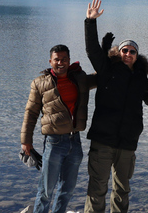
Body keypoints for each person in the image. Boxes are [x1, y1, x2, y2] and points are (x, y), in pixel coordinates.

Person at [83, 0, 148, 213]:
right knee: (97, 188)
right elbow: (92, 50)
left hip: (128, 142)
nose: (128, 54)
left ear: (136, 56)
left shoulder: (141, 78)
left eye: (132, 51)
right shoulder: (107, 69)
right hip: (103, 140)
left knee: (122, 190)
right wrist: (90, 22)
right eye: (124, 50)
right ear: (119, 52)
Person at [21, 44, 94, 213]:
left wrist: (114, 59)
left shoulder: (79, 79)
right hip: (54, 143)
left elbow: (100, 76)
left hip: (74, 142)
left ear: (69, 60)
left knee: (67, 190)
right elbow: (30, 113)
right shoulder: (39, 83)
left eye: (64, 59)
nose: (60, 63)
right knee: (46, 191)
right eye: (57, 60)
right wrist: (26, 141)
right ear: (50, 61)